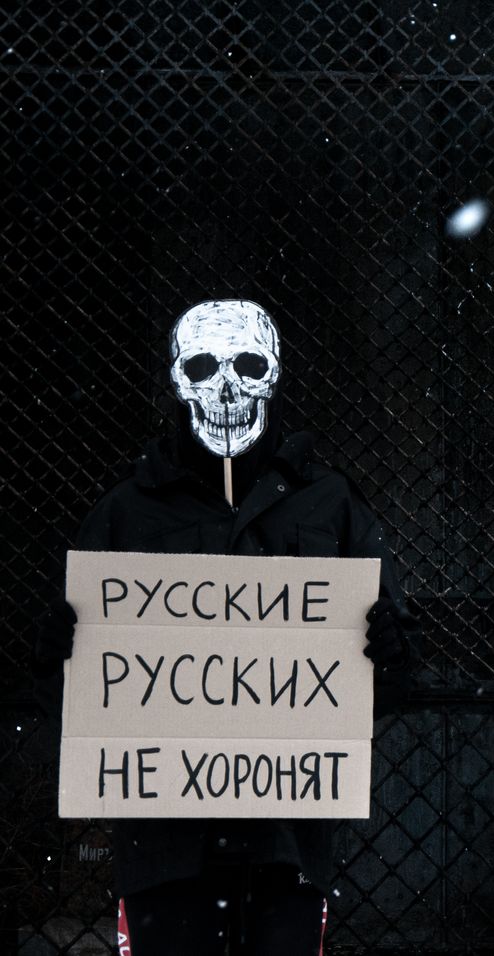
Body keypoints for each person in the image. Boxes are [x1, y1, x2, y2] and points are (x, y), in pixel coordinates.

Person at [31, 300, 415, 956]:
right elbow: (69, 694)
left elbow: (386, 678)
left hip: (286, 831)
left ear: (274, 377)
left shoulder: (328, 503)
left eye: (249, 367)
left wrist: (388, 651)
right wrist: (61, 656)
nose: (229, 390)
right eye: (204, 368)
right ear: (178, 382)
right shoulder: (128, 511)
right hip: (165, 838)